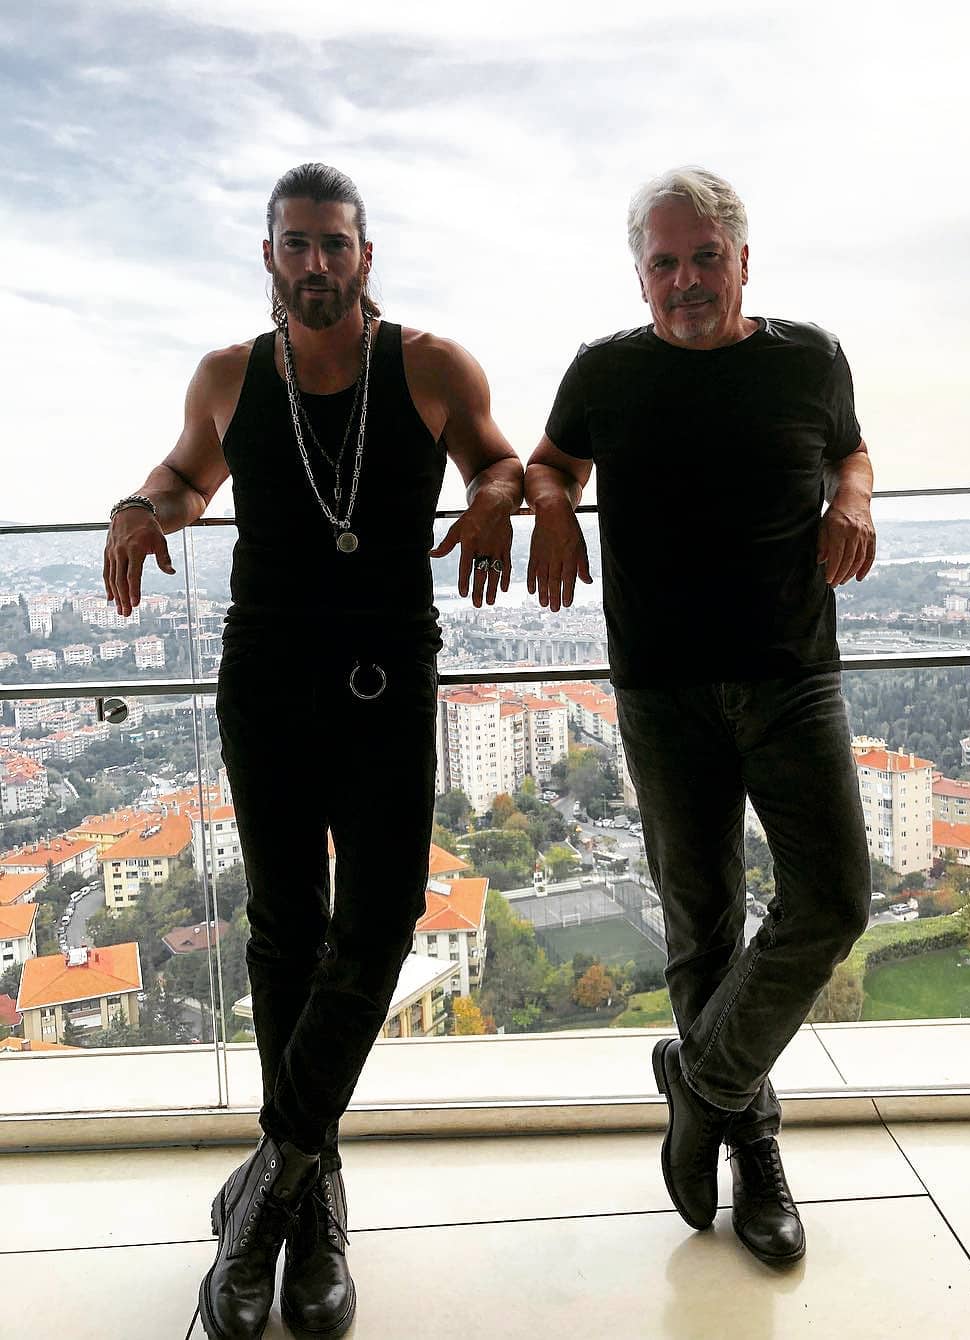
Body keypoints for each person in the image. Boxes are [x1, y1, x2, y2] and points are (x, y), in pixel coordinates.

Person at [103, 162, 523, 1340]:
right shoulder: (229, 375)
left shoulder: (431, 366)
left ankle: (273, 1182)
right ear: (270, 257)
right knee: (286, 924)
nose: (317, 262)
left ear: (365, 256)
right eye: (297, 243)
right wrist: (140, 507)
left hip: (388, 672)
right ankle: (313, 1193)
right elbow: (185, 477)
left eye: (336, 242)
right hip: (269, 674)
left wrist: (497, 495)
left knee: (381, 919)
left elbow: (496, 458)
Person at [525, 166, 875, 1266]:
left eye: (705, 257)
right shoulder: (605, 370)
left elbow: (849, 447)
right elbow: (549, 461)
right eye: (665, 262)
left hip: (790, 671)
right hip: (661, 684)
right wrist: (551, 507)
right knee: (701, 923)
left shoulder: (809, 358)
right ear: (641, 275)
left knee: (833, 897)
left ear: (744, 261)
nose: (685, 280)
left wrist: (853, 496)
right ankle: (753, 1140)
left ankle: (704, 1083)